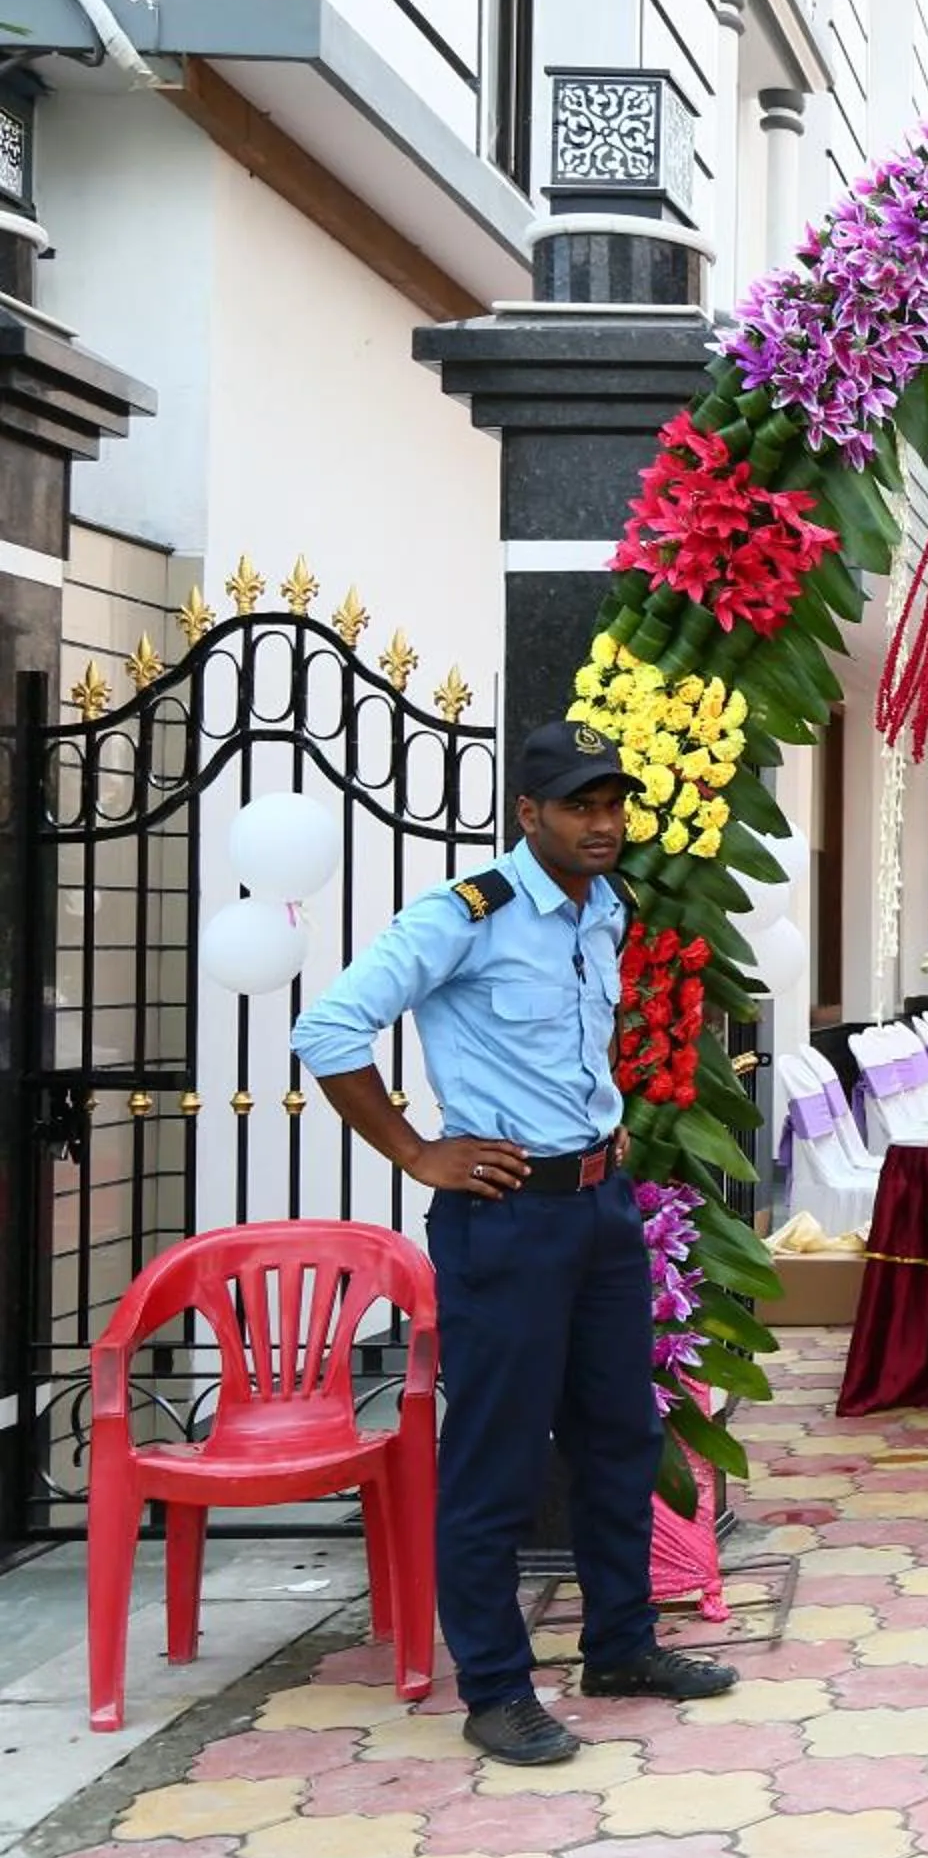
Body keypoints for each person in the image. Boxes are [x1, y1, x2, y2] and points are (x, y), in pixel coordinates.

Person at [288, 721, 738, 1768]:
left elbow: (573, 1040)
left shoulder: (604, 908)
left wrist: (603, 1120)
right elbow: (330, 1029)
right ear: (527, 811)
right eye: (579, 803)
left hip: (598, 1208)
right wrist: (416, 1149)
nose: (602, 821)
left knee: (620, 1434)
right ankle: (496, 1687)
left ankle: (620, 1644)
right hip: (507, 1223)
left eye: (613, 803)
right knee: (496, 1459)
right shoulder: (468, 914)